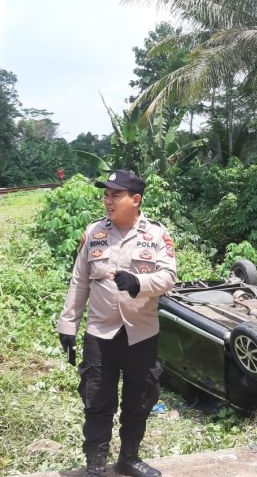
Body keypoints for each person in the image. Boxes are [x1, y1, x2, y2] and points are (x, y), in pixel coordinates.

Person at [56, 169, 176, 477]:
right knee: (97, 401)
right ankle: (96, 466)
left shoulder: (157, 235)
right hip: (100, 333)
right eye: (106, 194)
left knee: (139, 400)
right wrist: (68, 324)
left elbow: (169, 277)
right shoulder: (94, 232)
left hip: (141, 334)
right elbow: (79, 281)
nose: (108, 201)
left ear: (135, 200)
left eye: (115, 195)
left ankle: (129, 459)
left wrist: (138, 282)